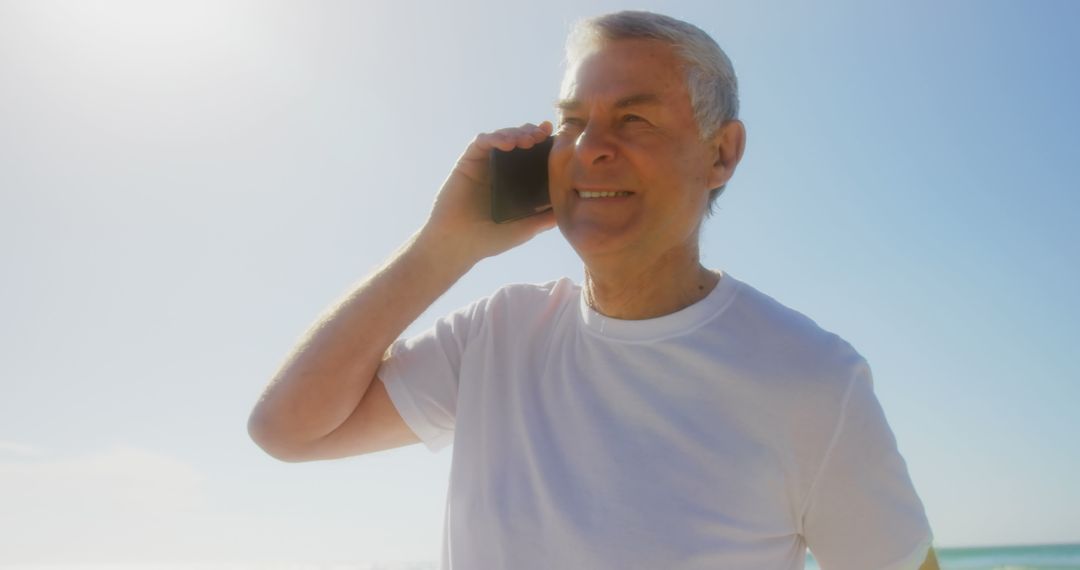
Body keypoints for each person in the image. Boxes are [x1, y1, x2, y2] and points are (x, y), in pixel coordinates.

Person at [248, 10, 938, 570]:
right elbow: (285, 430)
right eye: (574, 122)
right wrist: (444, 247)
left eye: (633, 119)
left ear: (721, 154)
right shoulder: (497, 335)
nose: (590, 148)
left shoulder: (813, 380)